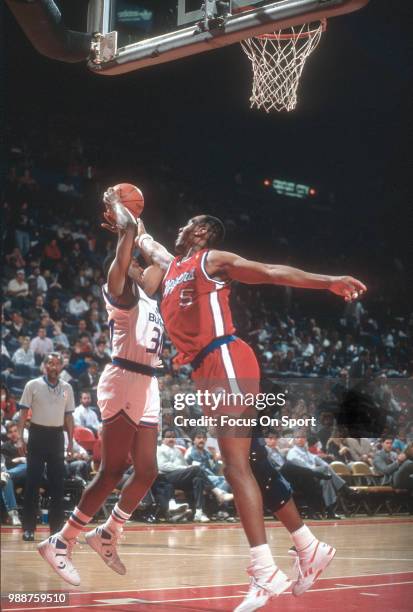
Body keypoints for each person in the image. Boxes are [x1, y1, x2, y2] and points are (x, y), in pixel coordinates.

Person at [110, 209, 366, 611]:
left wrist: (328, 282)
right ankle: (308, 547)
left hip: (225, 356)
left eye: (187, 224)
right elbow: (145, 239)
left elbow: (270, 271)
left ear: (203, 232)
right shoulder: (172, 264)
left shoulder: (211, 260)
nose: (179, 228)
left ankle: (264, 571)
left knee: (236, 465)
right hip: (204, 369)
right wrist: (121, 213)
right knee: (250, 460)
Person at [38, 192, 164, 588]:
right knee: (112, 470)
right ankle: (61, 541)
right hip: (124, 377)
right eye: (133, 265)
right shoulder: (119, 289)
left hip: (148, 381)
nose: (142, 270)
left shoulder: (145, 294)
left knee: (146, 471)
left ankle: (108, 532)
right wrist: (118, 206)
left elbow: (160, 262)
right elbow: (127, 236)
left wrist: (141, 231)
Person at [16, 353, 75, 541]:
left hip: (57, 436)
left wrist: (71, 441)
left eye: (57, 364)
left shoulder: (67, 388)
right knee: (32, 483)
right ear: (44, 366)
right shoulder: (32, 385)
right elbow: (23, 414)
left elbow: (69, 417)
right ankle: (29, 529)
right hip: (37, 434)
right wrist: (19, 438)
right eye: (50, 363)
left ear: (61, 367)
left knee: (57, 485)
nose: (54, 366)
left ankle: (56, 529)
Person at [157, 428, 232, 522]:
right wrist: (184, 468)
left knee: (198, 479)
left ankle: (199, 513)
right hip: (167, 477)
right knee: (196, 469)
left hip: (181, 477)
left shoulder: (178, 451)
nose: (171, 439)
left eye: (173, 437)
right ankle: (218, 492)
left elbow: (186, 466)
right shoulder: (159, 449)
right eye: (168, 437)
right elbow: (163, 466)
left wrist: (218, 461)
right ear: (163, 439)